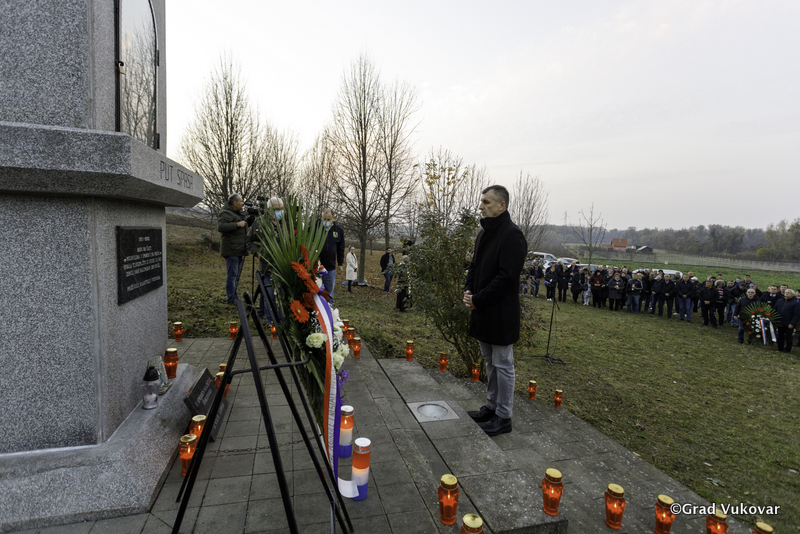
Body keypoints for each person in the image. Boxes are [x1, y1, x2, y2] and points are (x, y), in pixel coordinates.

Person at [464, 185, 527, 437]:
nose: (481, 206)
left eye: (487, 202)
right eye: (481, 201)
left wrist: (478, 299)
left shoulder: (512, 235)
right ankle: (491, 408)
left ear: (502, 206)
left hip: (500, 312)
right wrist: (469, 291)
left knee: (503, 364)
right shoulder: (483, 234)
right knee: (490, 362)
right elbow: (474, 267)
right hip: (482, 308)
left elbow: (506, 278)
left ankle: (503, 416)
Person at [217, 193, 249, 304]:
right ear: (234, 203)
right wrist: (237, 224)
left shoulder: (239, 214)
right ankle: (231, 298)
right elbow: (220, 227)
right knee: (232, 275)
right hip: (231, 249)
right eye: (240, 201)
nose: (242, 203)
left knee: (236, 275)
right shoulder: (225, 213)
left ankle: (234, 297)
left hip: (239, 249)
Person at [318, 208, 345, 305]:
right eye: (324, 219)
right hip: (316, 266)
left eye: (328, 219)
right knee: (315, 290)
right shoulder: (315, 228)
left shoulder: (338, 231)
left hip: (330, 266)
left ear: (333, 218)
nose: (326, 222)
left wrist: (340, 264)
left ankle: (329, 309)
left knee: (329, 292)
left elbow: (341, 248)